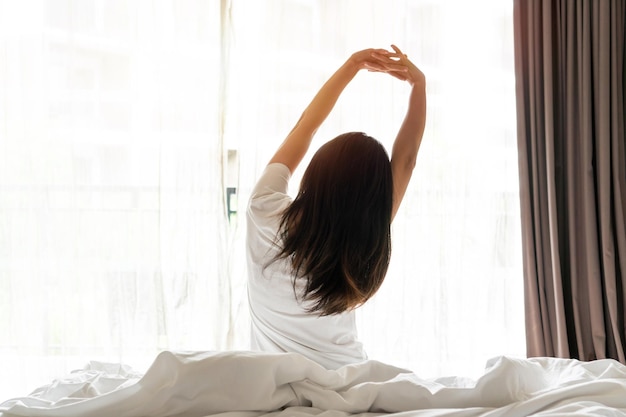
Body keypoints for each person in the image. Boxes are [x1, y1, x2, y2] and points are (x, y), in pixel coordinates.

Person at [246, 45, 426, 370]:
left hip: (268, 382)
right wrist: (419, 85)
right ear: (374, 198)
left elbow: (305, 127)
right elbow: (407, 160)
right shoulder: (364, 238)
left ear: (316, 172)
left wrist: (353, 65)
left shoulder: (263, 209)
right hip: (348, 378)